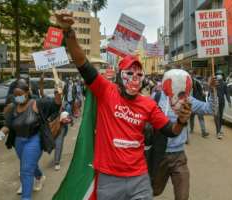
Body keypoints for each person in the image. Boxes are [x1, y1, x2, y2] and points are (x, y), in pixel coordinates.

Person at [55, 10, 192, 200]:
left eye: (139, 74)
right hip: (109, 180)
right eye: (129, 73)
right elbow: (82, 62)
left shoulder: (148, 104)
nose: (134, 78)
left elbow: (170, 131)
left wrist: (182, 122)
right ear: (120, 75)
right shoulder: (106, 91)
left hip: (139, 179)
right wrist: (68, 31)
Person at [150, 71, 217, 200]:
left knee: (183, 196)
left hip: (179, 156)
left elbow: (211, 109)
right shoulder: (156, 98)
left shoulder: (188, 100)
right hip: (159, 155)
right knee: (154, 190)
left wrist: (212, 89)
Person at [0, 79, 62, 200]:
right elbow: (7, 125)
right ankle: (40, 177)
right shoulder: (13, 108)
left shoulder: (37, 103)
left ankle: (26, 197)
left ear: (27, 92)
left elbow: (55, 105)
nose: (18, 97)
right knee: (29, 165)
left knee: (25, 170)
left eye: (20, 94)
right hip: (19, 142)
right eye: (15, 95)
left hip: (34, 140)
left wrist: (58, 93)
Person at [189, 70, 209, 137]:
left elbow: (202, 92)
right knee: (192, 117)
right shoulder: (189, 83)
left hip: (196, 103)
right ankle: (191, 130)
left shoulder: (196, 82)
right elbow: (202, 93)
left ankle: (203, 132)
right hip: (192, 103)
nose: (191, 75)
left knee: (200, 117)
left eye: (192, 74)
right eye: (190, 74)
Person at [214, 70, 231, 139]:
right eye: (218, 74)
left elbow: (227, 93)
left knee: (220, 117)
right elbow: (210, 92)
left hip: (222, 102)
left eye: (220, 74)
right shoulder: (214, 83)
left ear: (222, 76)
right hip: (215, 102)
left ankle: (220, 129)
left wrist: (229, 101)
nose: (219, 75)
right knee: (217, 116)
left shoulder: (224, 83)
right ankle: (218, 132)